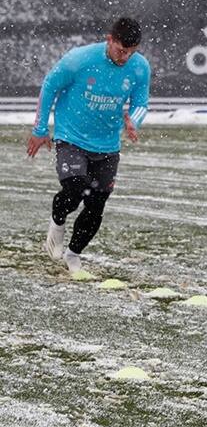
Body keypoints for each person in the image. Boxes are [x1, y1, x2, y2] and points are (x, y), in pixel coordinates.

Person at [27, 17, 151, 277]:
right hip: (71, 136)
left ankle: (74, 255)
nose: (125, 57)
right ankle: (57, 223)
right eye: (120, 50)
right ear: (110, 39)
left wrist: (134, 122)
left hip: (107, 145)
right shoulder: (79, 59)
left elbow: (141, 102)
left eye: (131, 52)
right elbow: (49, 86)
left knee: (97, 204)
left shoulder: (140, 67)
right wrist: (40, 130)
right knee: (75, 188)